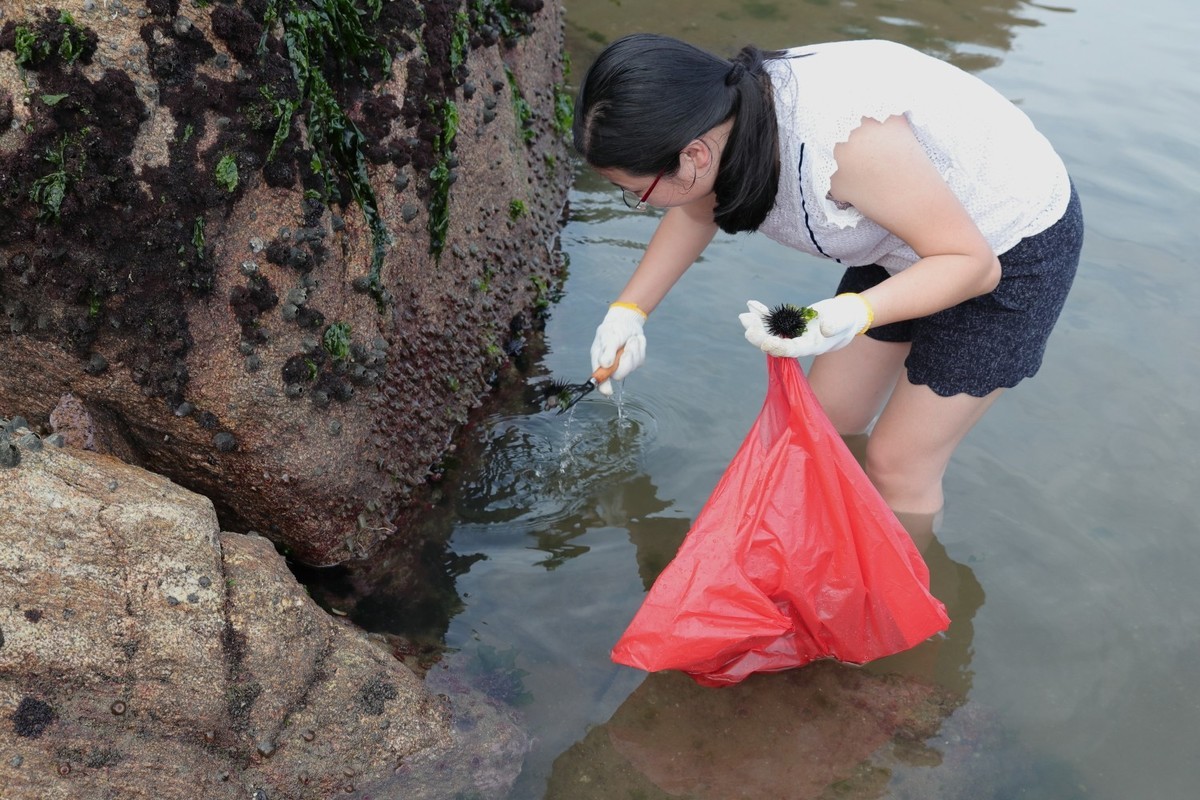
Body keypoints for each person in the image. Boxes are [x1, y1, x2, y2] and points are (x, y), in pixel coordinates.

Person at [572, 34, 1083, 518]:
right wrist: (628, 312)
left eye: (634, 191)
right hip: (900, 234)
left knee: (897, 465)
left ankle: (896, 607)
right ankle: (822, 551)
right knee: (817, 425)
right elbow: (698, 203)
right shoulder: (722, 119)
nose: (637, 204)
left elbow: (972, 265)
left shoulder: (843, 143)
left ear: (695, 155)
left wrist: (848, 312)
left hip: (1007, 245)